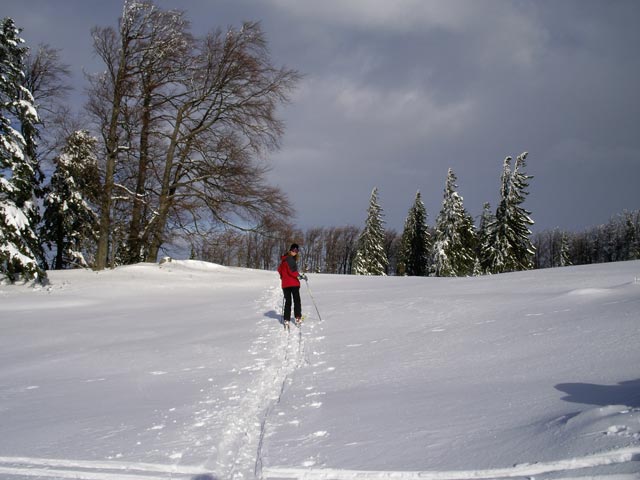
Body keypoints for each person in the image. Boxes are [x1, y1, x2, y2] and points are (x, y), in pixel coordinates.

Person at [277, 243, 307, 328]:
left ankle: (286, 319)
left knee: (288, 302)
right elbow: (292, 271)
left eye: (296, 251)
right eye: (293, 250)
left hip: (285, 285)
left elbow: (279, 270)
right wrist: (300, 276)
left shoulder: (283, 260)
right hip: (293, 283)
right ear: (290, 250)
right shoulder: (290, 259)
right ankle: (297, 317)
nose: (295, 252)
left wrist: (283, 277)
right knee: (296, 300)